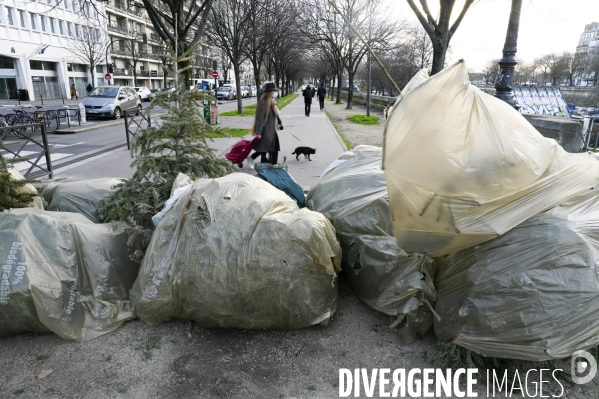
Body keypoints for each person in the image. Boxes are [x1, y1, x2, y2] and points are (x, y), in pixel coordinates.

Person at [248, 82, 283, 169]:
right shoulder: (263, 102)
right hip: (266, 129)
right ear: (268, 91)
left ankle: (274, 164)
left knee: (275, 147)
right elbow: (259, 119)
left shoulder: (273, 101)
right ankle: (251, 157)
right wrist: (258, 132)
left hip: (273, 128)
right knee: (264, 147)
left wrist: (280, 122)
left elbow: (276, 114)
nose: (274, 93)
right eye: (273, 91)